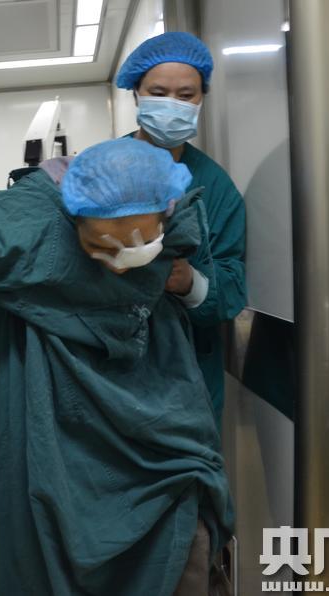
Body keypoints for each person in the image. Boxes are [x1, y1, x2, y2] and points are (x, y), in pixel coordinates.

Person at [0, 137, 233, 595]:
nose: (118, 267)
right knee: (36, 550)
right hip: (46, 403)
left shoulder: (176, 217)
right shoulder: (20, 227)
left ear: (166, 213)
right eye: (98, 248)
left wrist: (191, 284)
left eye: (138, 249)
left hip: (154, 415)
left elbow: (211, 289)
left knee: (182, 531)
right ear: (71, 219)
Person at [117, 31, 247, 427]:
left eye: (186, 95)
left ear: (202, 98)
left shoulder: (215, 187)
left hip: (188, 378)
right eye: (158, 93)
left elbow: (232, 284)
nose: (172, 104)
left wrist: (188, 281)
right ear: (136, 93)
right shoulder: (101, 168)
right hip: (109, 368)